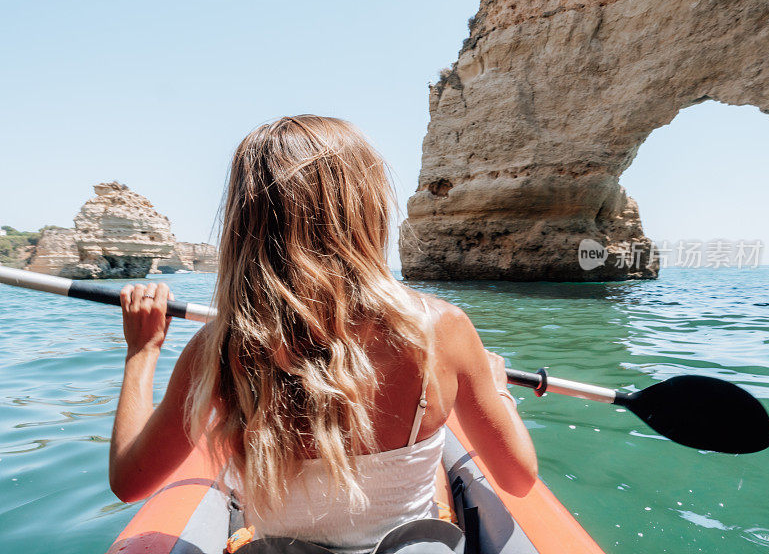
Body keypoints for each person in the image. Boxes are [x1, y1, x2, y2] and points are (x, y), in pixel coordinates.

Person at [109, 115, 537, 553]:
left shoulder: (222, 348)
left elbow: (130, 481)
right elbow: (518, 479)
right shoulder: (441, 330)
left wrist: (142, 350)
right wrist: (499, 390)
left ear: (246, 219)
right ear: (367, 207)